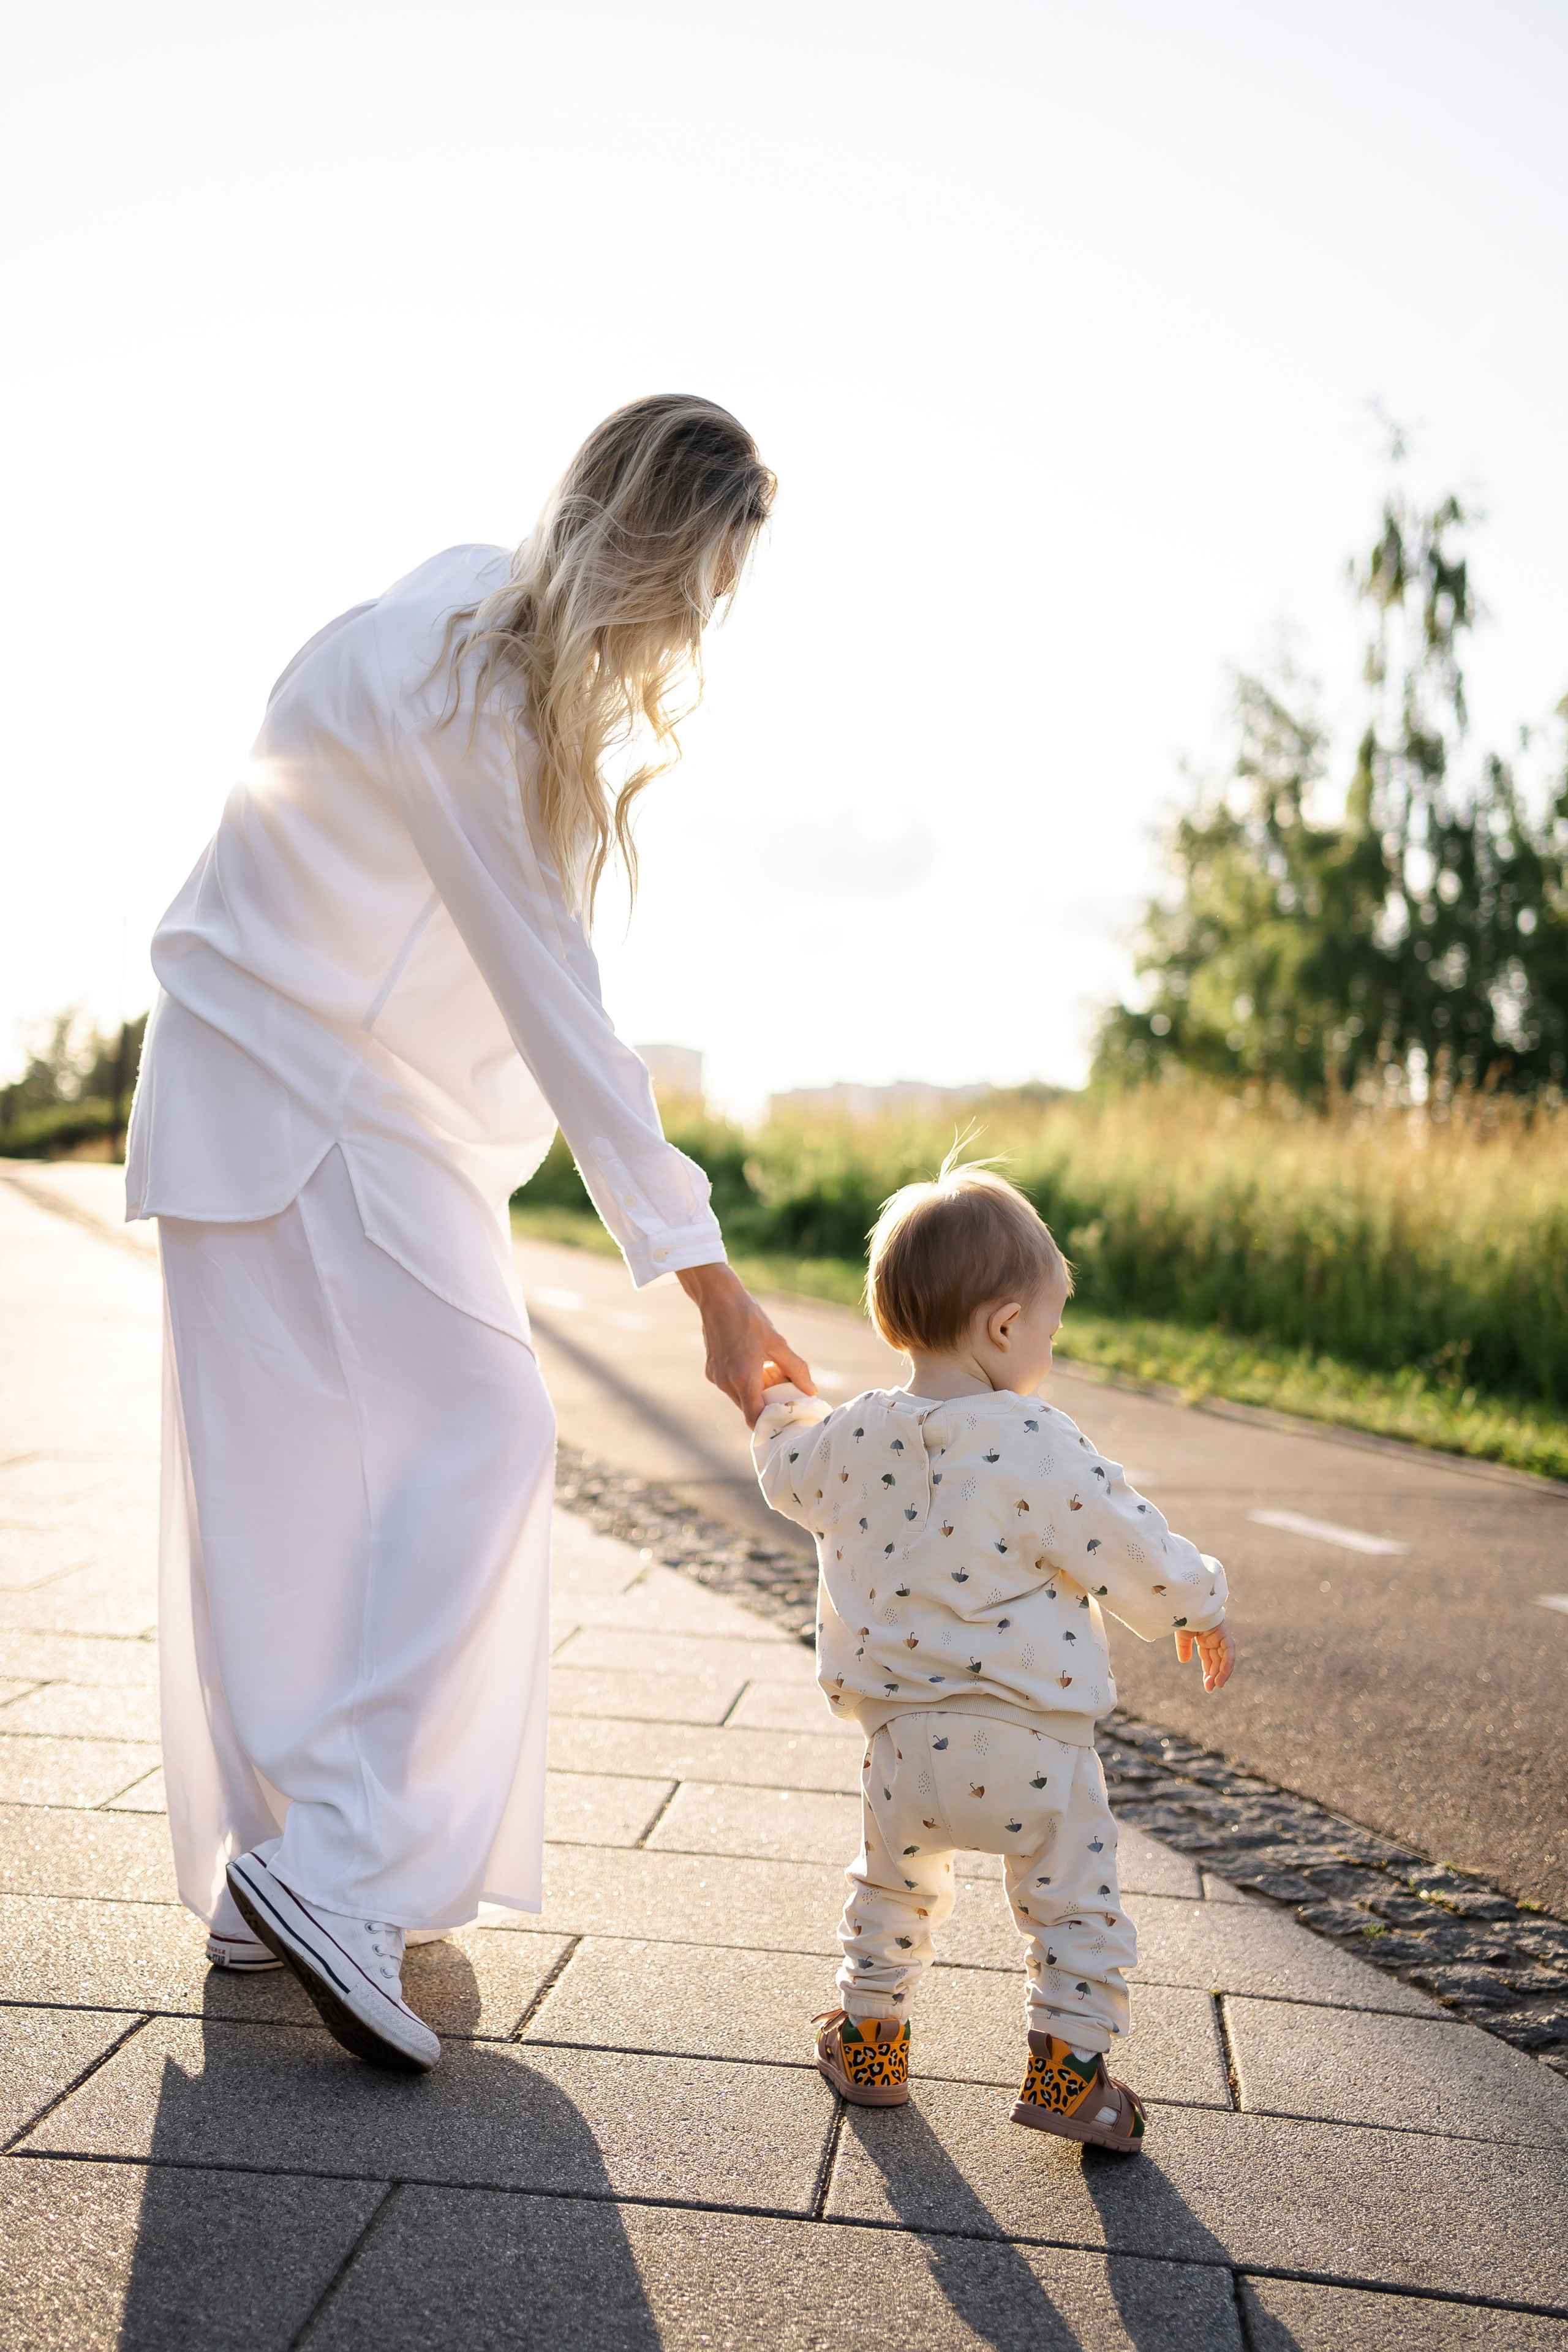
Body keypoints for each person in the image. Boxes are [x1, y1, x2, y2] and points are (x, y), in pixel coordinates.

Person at [127, 394, 813, 2074]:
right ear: (654, 543)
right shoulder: (470, 689)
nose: (698, 630)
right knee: (491, 1429)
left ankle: (268, 1870)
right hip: (303, 1094)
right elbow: (559, 1010)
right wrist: (711, 1290)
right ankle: (339, 1862)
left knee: (295, 1493)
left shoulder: (453, 619)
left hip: (252, 1083)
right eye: (704, 586)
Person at [751, 1161, 1234, 2154]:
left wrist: (779, 1405)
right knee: (1073, 1910)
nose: (1048, 1350)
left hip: (905, 1749)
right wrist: (1194, 1605)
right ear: (1006, 1326)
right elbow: (1124, 1536)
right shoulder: (1039, 1441)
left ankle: (873, 2044)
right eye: (1050, 1330)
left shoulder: (853, 1437)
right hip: (1036, 1753)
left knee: (892, 1893)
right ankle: (1070, 2075)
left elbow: (786, 1468)